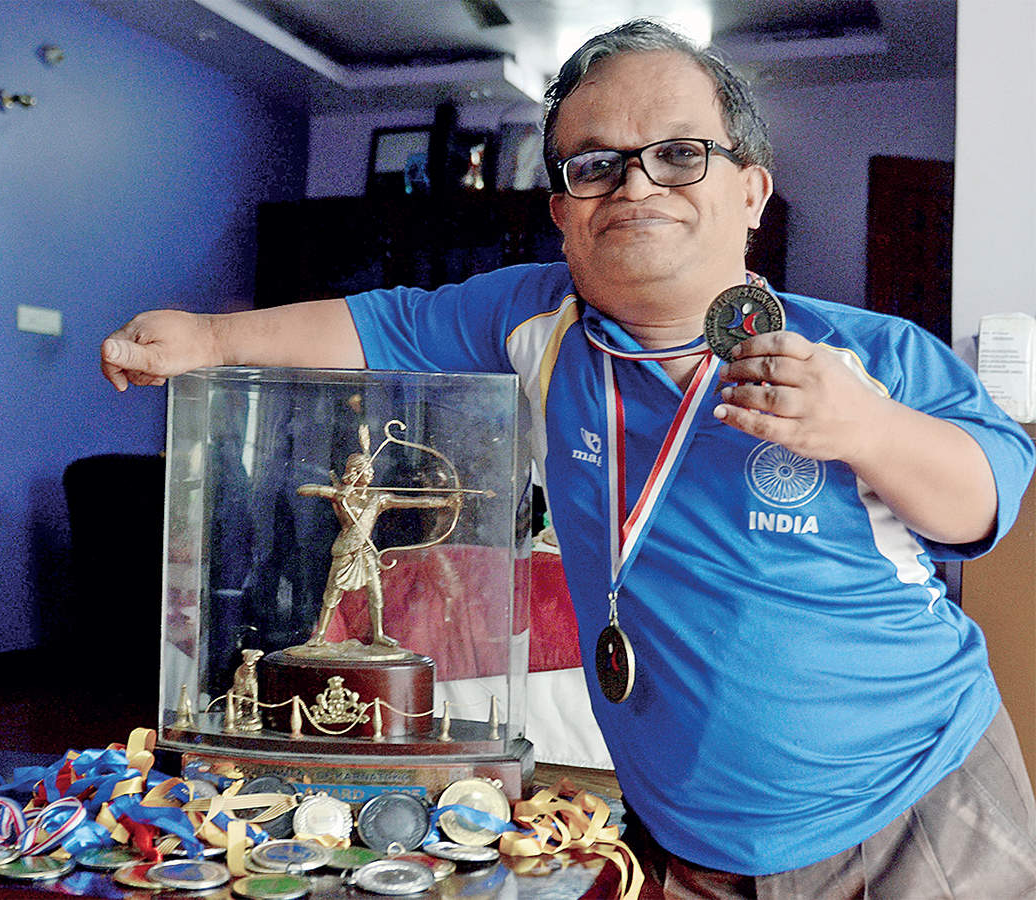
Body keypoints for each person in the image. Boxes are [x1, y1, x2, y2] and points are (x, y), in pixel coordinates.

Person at [101, 19, 1036, 899]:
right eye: (597, 166)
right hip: (685, 836)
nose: (636, 186)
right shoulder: (537, 324)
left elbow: (981, 505)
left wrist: (868, 429)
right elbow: (380, 322)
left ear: (750, 190)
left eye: (679, 155)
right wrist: (213, 337)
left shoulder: (866, 353)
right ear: (562, 208)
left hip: (915, 812)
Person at [295, 430, 462, 652]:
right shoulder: (342, 494)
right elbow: (303, 489)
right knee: (333, 594)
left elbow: (414, 502)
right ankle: (320, 637)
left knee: (375, 592)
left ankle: (379, 635)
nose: (372, 474)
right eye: (367, 470)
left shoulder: (378, 498)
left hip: (366, 550)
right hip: (346, 550)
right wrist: (337, 493)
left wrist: (445, 502)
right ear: (355, 473)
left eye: (372, 469)